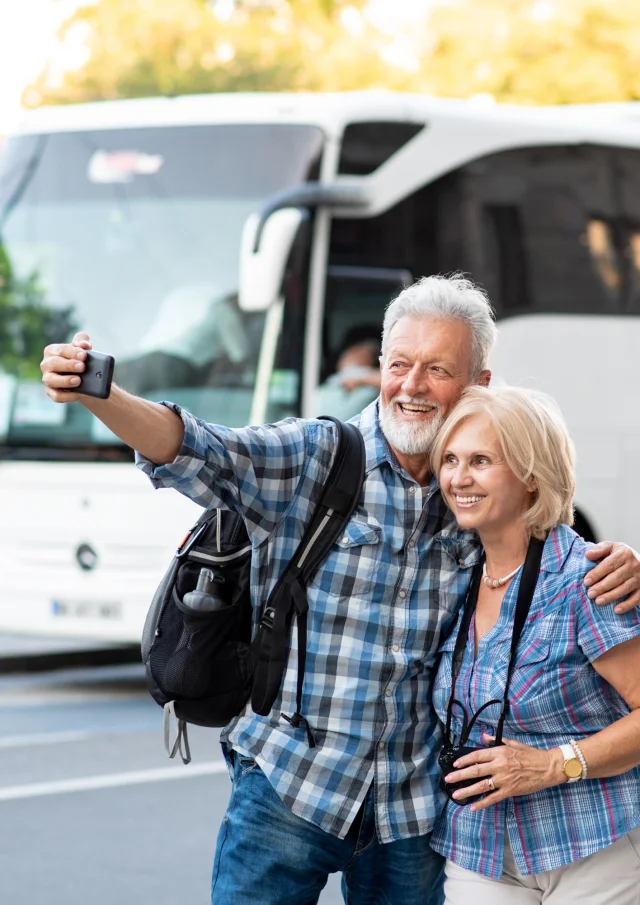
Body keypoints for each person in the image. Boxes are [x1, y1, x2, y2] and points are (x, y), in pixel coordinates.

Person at [39, 275, 640, 905]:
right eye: (400, 364)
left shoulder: (475, 492)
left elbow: (550, 542)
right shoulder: (317, 457)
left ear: (478, 384)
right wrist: (98, 393)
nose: (411, 386)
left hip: (411, 809)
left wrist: (628, 560)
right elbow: (198, 447)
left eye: (437, 369)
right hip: (288, 783)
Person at [429, 385, 640, 904]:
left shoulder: (585, 580)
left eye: (481, 460)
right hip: (478, 845)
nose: (459, 478)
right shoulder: (450, 576)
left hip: (592, 842)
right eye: (451, 460)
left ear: (530, 475)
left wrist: (552, 764)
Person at [313, 325, 382, 420]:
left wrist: (358, 376)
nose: (354, 354)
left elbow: (391, 378)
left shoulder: (370, 391)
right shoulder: (328, 383)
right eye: (353, 350)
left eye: (364, 352)